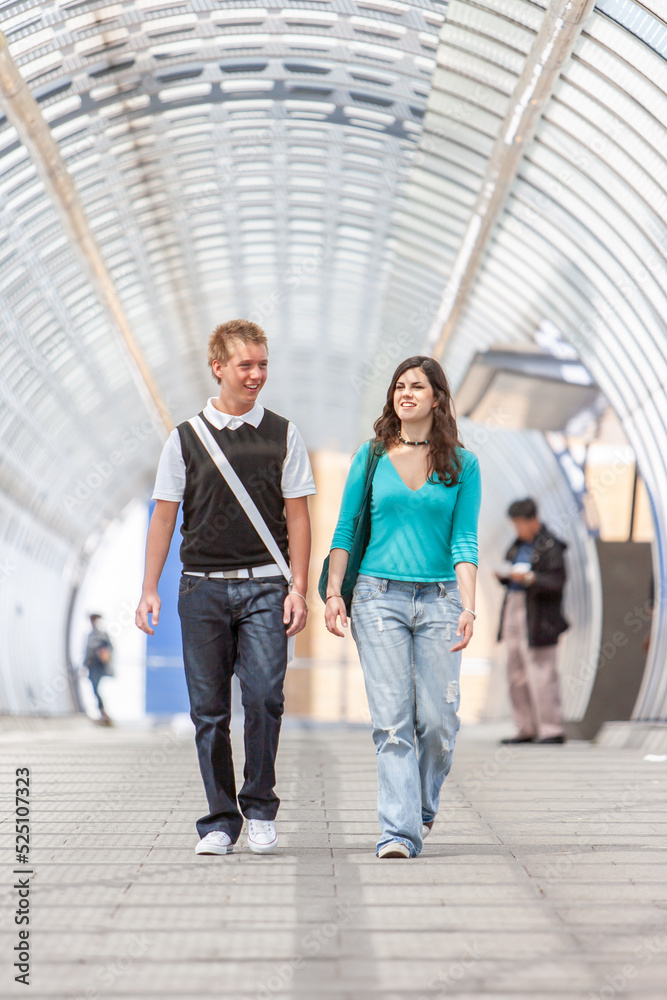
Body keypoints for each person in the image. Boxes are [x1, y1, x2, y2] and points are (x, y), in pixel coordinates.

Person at [135, 319, 315, 856]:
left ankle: (259, 808)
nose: (257, 374)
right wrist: (149, 589)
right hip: (202, 590)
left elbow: (299, 519)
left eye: (263, 364)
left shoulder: (284, 433)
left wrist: (298, 587)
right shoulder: (184, 438)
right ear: (219, 368)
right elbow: (164, 518)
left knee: (264, 698)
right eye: (246, 365)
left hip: (266, 588)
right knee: (208, 711)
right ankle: (219, 819)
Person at [325, 356, 481, 859]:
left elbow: (465, 541)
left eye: (418, 386)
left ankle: (422, 805)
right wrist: (333, 592)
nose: (405, 392)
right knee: (392, 723)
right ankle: (399, 832)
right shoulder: (370, 456)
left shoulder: (463, 464)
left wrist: (469, 607)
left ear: (437, 397)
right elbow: (346, 529)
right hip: (377, 598)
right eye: (399, 385)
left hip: (440, 601)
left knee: (438, 723)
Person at [496, 498, 568, 745]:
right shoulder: (518, 545)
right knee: (515, 671)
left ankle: (551, 729)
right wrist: (507, 578)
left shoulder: (551, 546)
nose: (517, 529)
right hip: (515, 605)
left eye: (519, 523)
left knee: (541, 672)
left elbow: (557, 582)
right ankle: (525, 728)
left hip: (539, 614)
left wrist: (530, 579)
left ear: (532, 520)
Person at [84, 613, 113, 725]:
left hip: (98, 666)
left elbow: (108, 648)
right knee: (94, 688)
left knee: (96, 687)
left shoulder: (101, 634)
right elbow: (87, 652)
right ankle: (102, 711)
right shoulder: (91, 635)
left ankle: (102, 711)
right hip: (92, 666)